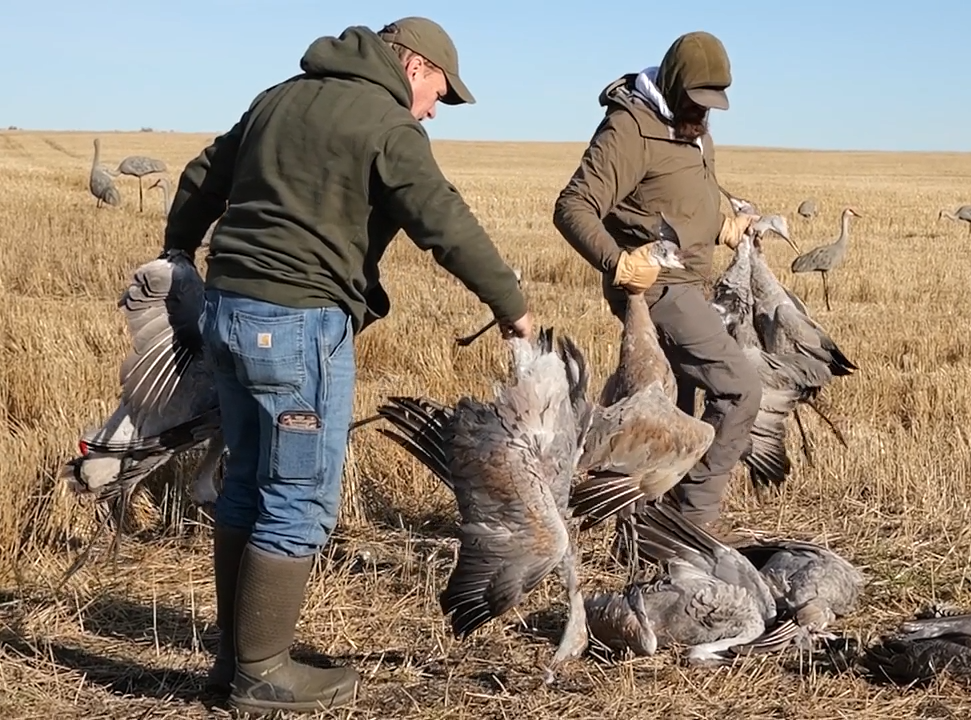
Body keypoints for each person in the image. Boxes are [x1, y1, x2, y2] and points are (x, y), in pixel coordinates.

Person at [161, 17, 531, 715]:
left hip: (229, 311)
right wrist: (511, 304)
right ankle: (262, 672)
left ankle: (233, 658)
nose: (431, 113)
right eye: (437, 96)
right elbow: (442, 220)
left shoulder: (280, 96)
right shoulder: (387, 124)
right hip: (297, 325)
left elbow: (203, 175)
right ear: (413, 66)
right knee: (297, 498)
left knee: (247, 479)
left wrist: (179, 250)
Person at [552, 31, 763, 540]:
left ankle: (654, 525)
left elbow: (681, 195)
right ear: (672, 85)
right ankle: (692, 522)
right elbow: (573, 206)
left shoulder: (693, 130)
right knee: (740, 387)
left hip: (691, 283)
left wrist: (722, 222)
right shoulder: (629, 129)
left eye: (712, 104)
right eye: (696, 100)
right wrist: (619, 262)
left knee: (675, 408)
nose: (704, 112)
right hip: (657, 291)